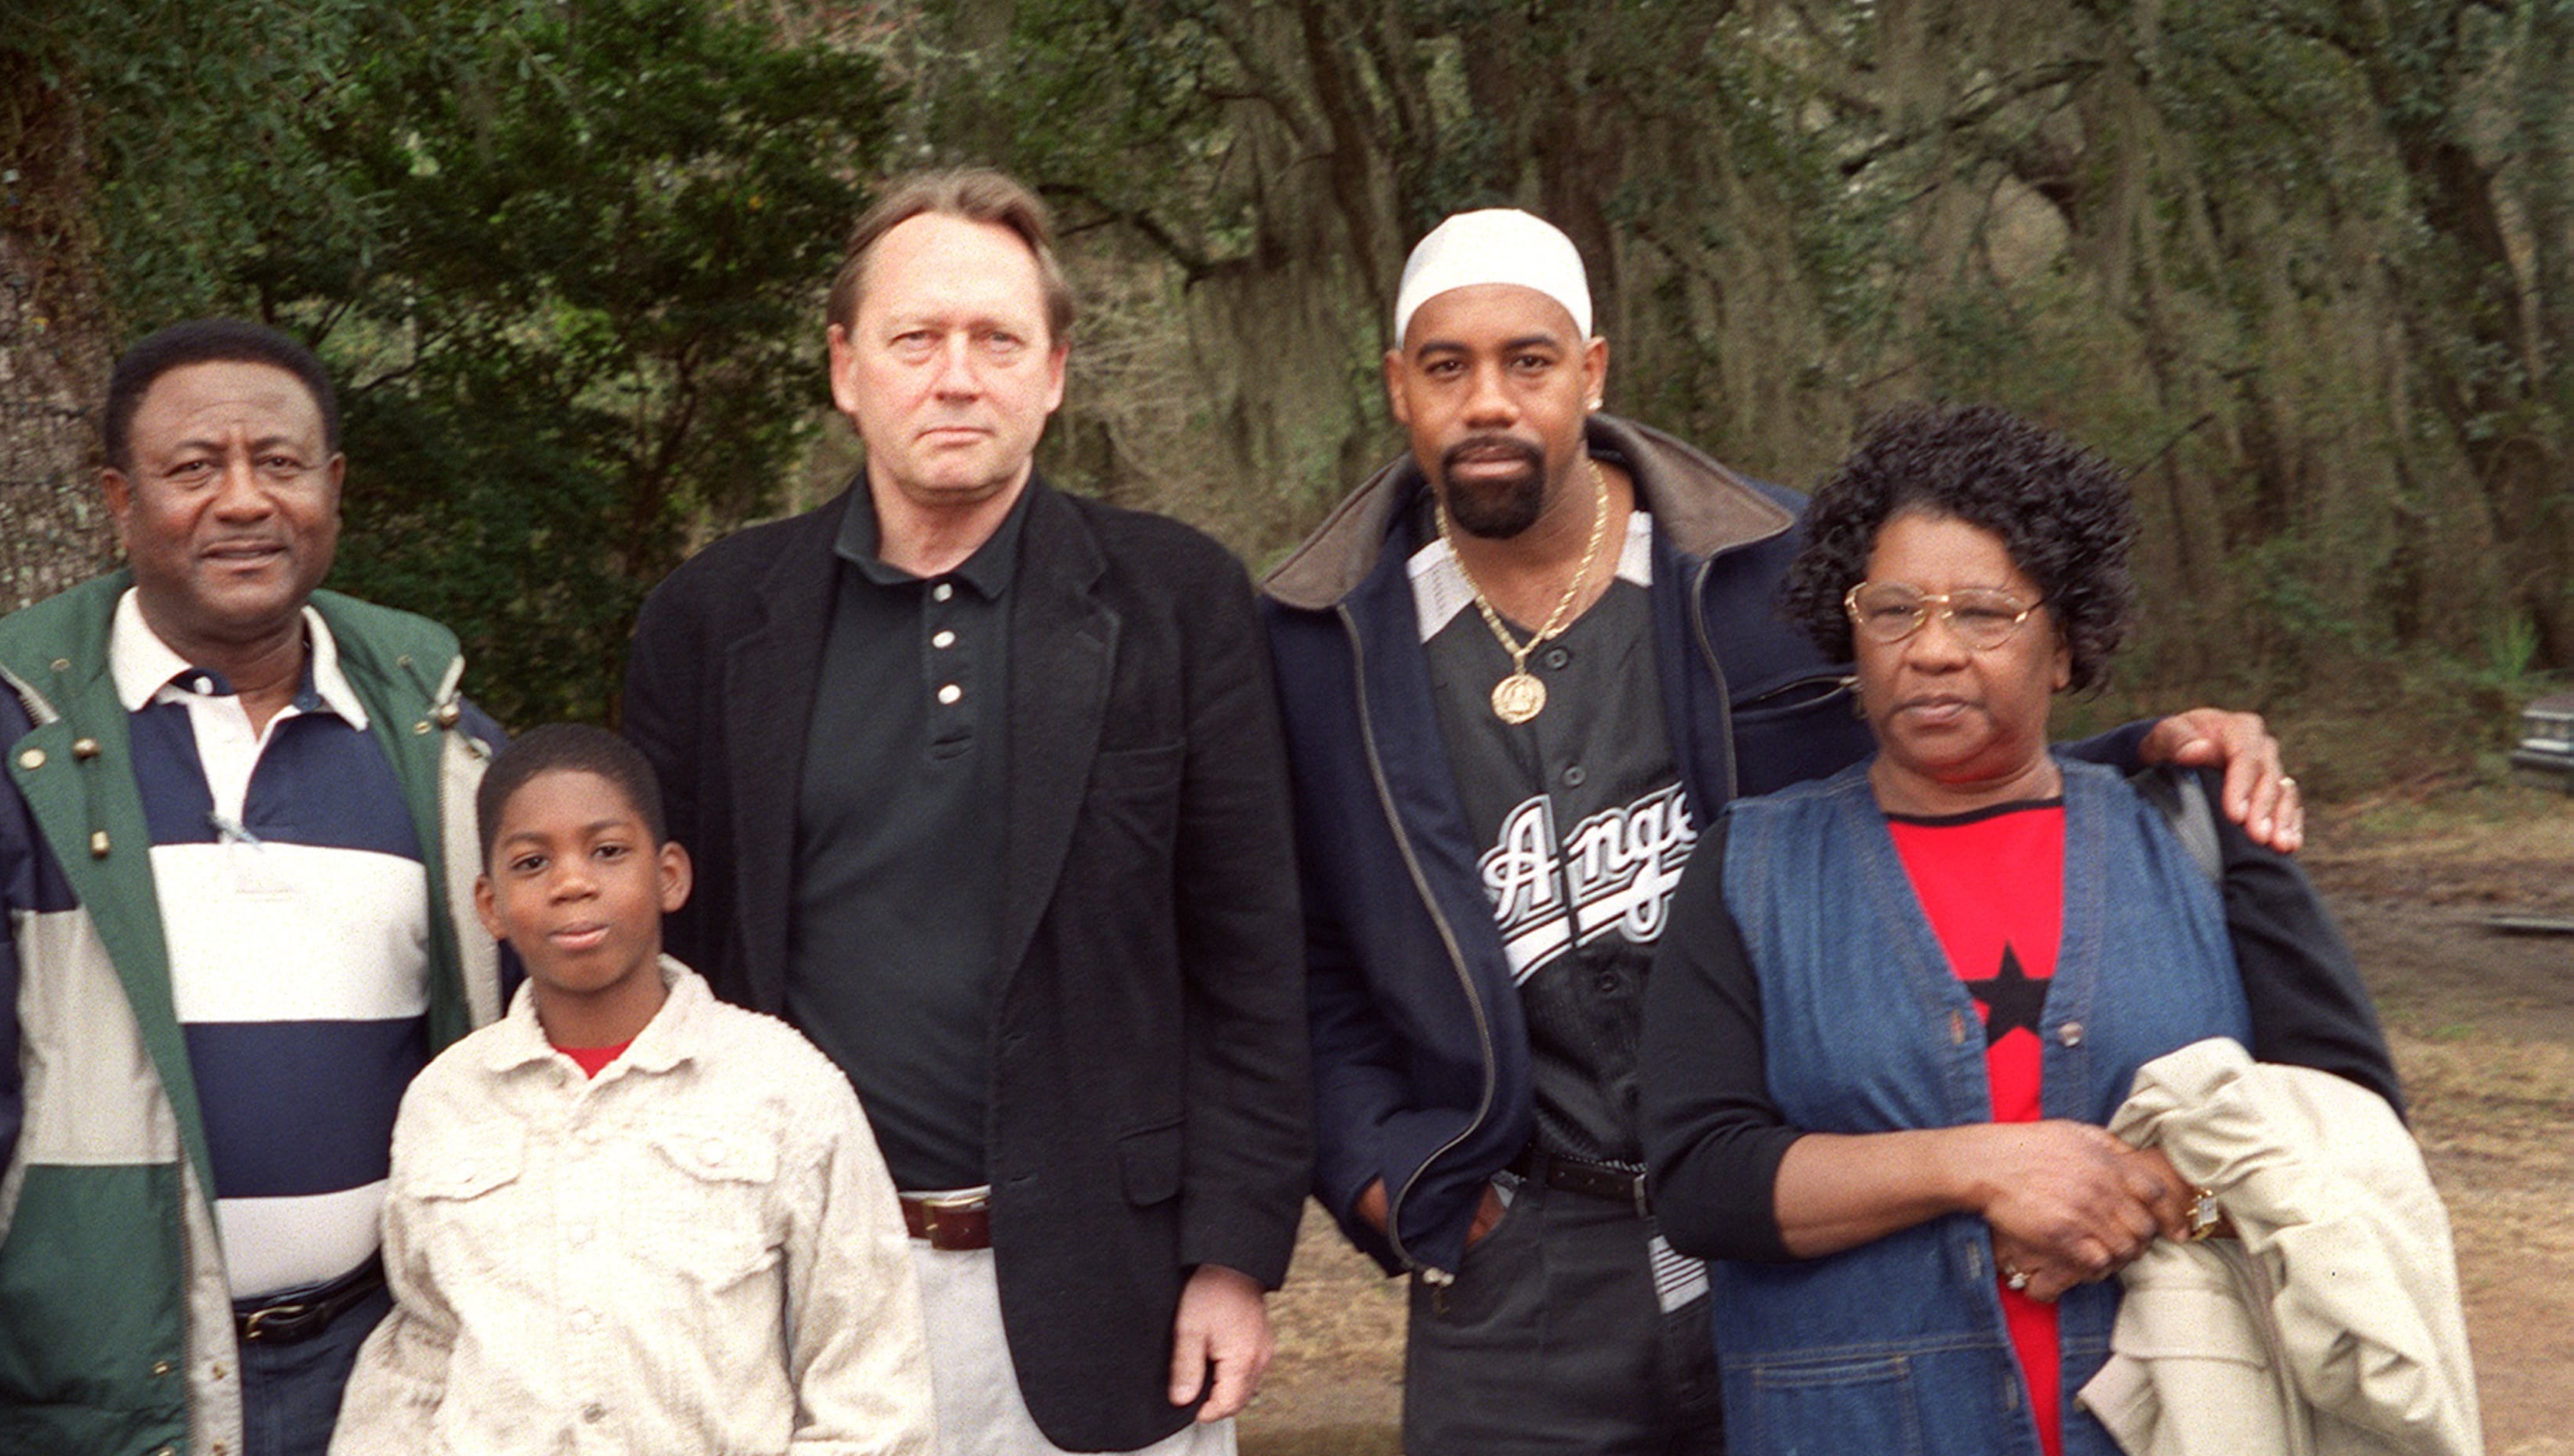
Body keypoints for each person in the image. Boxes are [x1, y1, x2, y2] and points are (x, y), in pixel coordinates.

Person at [1258, 210, 2307, 1455]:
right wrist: (1385, 1172)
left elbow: (1931, 757)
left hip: (1811, 1213)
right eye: (1447, 367)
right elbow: (1291, 946)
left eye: (1528, 361)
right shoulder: (1315, 639)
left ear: (1592, 371)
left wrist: (2145, 755)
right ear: (1398, 387)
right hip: (1523, 1251)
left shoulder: (1766, 563)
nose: (1489, 400)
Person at [623, 167, 1309, 1456]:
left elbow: (1256, 954)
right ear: (845, 367)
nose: (956, 378)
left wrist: (1233, 1253)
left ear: (1052, 372)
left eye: (997, 340)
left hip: (1113, 1303)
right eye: (915, 339)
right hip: (801, 1306)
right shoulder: (711, 622)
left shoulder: (1177, 601)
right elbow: (665, 972)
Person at [0, 319, 508, 1456]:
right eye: (194, 468)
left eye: (279, 462)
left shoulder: (449, 754)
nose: (244, 500)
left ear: (334, 487)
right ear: (121, 500)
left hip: (390, 1385)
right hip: (89, 1404)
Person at [1637, 402, 2400, 1456]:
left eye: (1984, 614)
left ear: (2065, 646)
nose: (1932, 650)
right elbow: (1701, 1181)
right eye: (1893, 611)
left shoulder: (2200, 838)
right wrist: (1977, 1167)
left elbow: (2352, 1125)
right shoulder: (1752, 868)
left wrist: (2146, 1196)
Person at [331, 723, 932, 1456]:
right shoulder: (446, 1100)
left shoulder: (784, 1085)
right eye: (532, 862)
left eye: (608, 851)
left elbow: (870, 1377)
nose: (573, 883)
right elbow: (422, 1348)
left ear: (669, 875)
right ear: (490, 905)